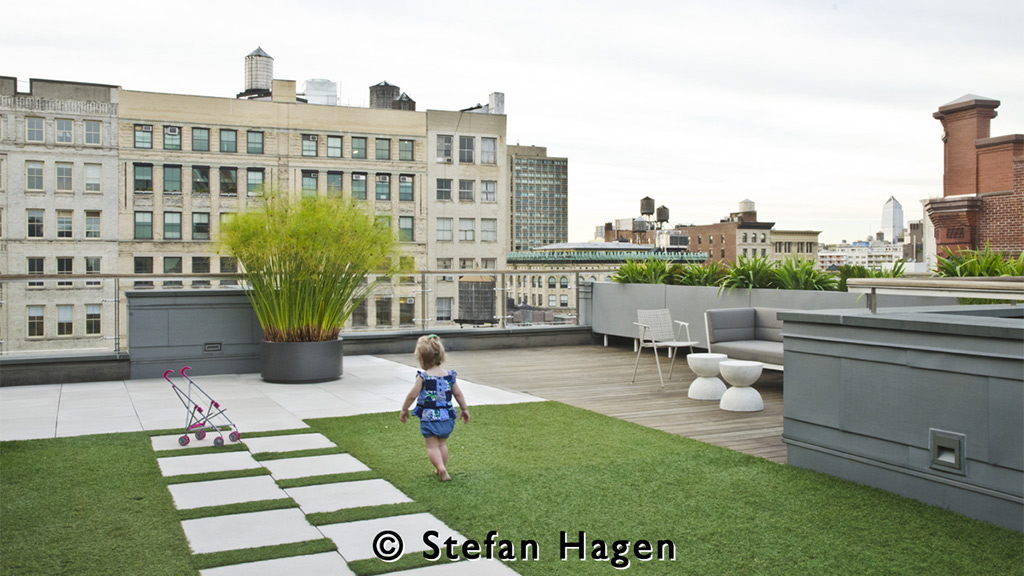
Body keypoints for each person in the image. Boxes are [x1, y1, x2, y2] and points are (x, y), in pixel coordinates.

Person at [400, 334, 470, 482]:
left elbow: (413, 395)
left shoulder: (423, 377)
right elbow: (458, 393)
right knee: (442, 443)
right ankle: (441, 467)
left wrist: (404, 408)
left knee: (432, 446)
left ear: (421, 359)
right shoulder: (449, 376)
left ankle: (441, 468)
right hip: (447, 417)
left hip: (429, 416)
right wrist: (464, 409)